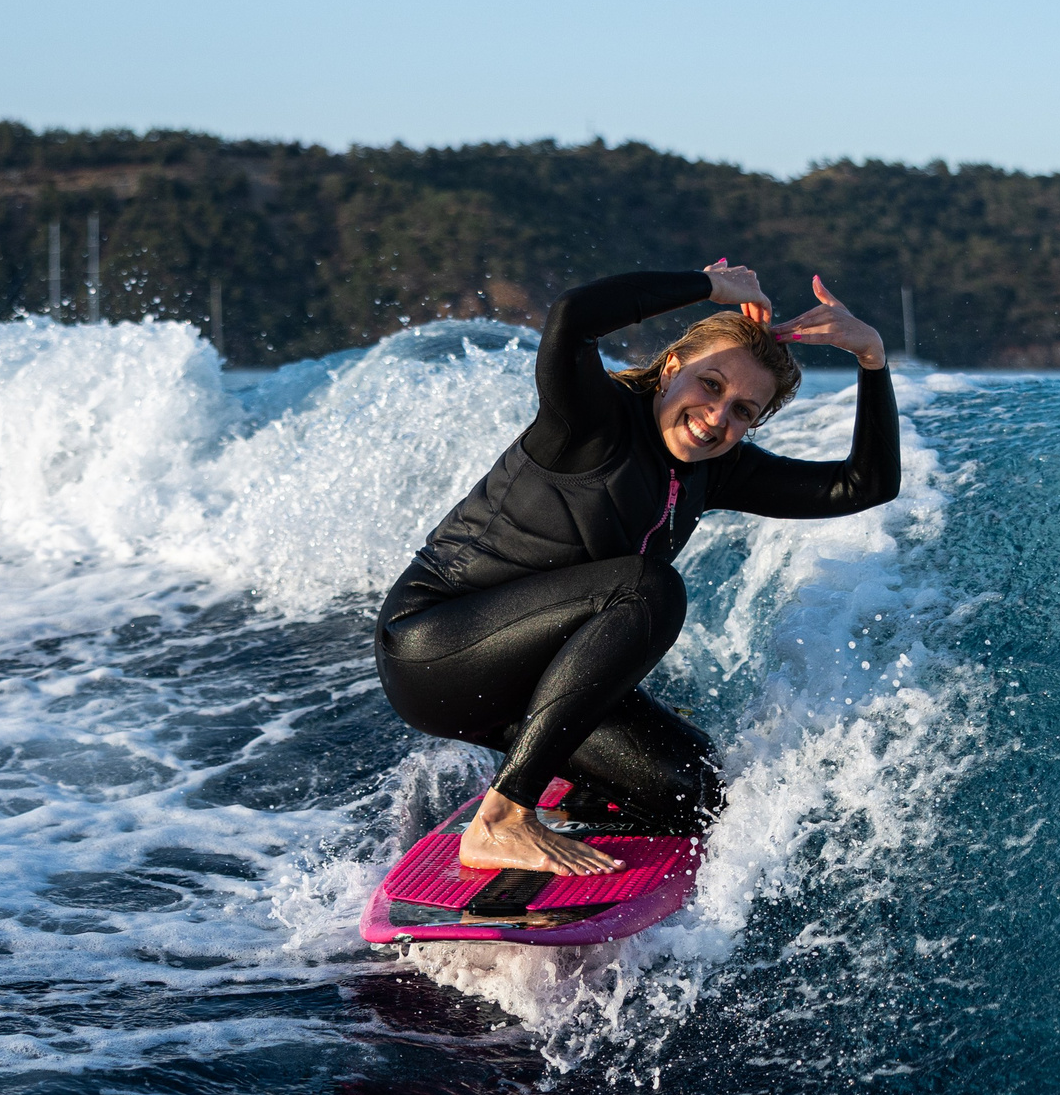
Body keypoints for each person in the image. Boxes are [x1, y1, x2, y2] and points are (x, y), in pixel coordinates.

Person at [376, 261, 900, 877]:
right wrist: (709, 286)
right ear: (672, 368)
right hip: (434, 651)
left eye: (742, 411)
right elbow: (572, 316)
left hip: (523, 682)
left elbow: (864, 485)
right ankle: (503, 818)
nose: (717, 417)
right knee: (648, 589)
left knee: (695, 790)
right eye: (710, 385)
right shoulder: (591, 421)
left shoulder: (716, 467)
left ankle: (571, 783)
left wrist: (872, 358)